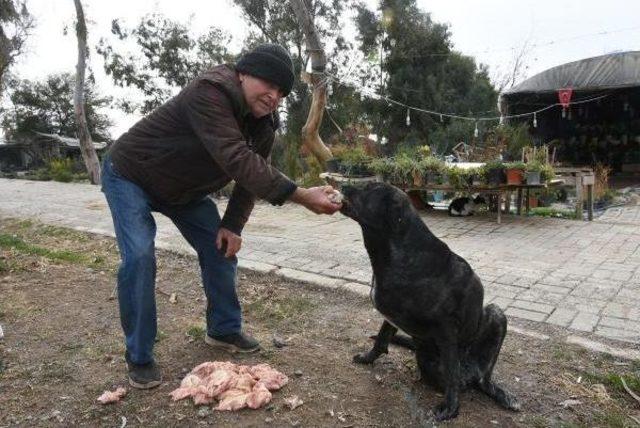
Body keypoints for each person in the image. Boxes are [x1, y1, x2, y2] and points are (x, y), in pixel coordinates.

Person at [101, 43, 342, 389]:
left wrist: (232, 225)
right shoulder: (209, 93)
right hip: (131, 174)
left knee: (222, 247)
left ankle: (224, 329)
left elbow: (250, 180)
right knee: (139, 256)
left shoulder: (263, 126)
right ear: (242, 73)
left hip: (183, 191)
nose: (274, 96)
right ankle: (139, 356)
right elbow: (236, 158)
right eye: (268, 84)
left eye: (281, 92)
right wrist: (302, 196)